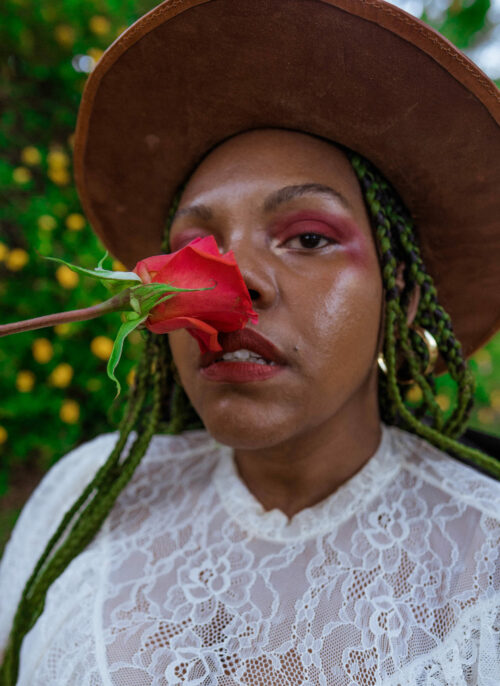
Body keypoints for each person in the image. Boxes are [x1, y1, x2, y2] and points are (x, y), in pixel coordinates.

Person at [1, 0, 499, 684]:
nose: (241, 281)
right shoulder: (84, 498)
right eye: (198, 249)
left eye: (309, 238)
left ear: (403, 293)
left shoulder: (484, 561)